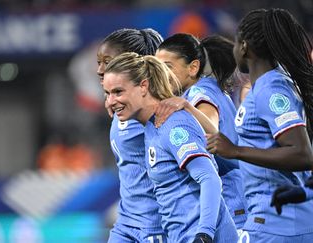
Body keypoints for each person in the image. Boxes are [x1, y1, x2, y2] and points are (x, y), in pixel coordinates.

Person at [103, 52, 238, 243]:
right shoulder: (151, 127)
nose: (110, 101)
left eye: (118, 92)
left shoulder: (173, 125)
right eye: (107, 94)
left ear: (143, 86)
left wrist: (204, 234)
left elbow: (209, 178)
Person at [206, 8, 313, 242]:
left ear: (243, 46)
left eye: (235, 42)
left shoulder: (271, 90)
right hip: (275, 219)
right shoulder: (272, 84)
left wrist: (235, 150)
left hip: (279, 223)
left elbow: (302, 153)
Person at [154, 33, 248, 230]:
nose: (161, 74)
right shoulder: (212, 87)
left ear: (193, 67)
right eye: (158, 67)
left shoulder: (199, 94)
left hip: (231, 198)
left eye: (168, 67)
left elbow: (213, 132)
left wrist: (188, 108)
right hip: (240, 192)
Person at [97, 28, 167, 243]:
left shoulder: (160, 113)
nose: (100, 69)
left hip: (154, 224)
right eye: (98, 61)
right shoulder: (122, 108)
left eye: (107, 62)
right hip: (126, 222)